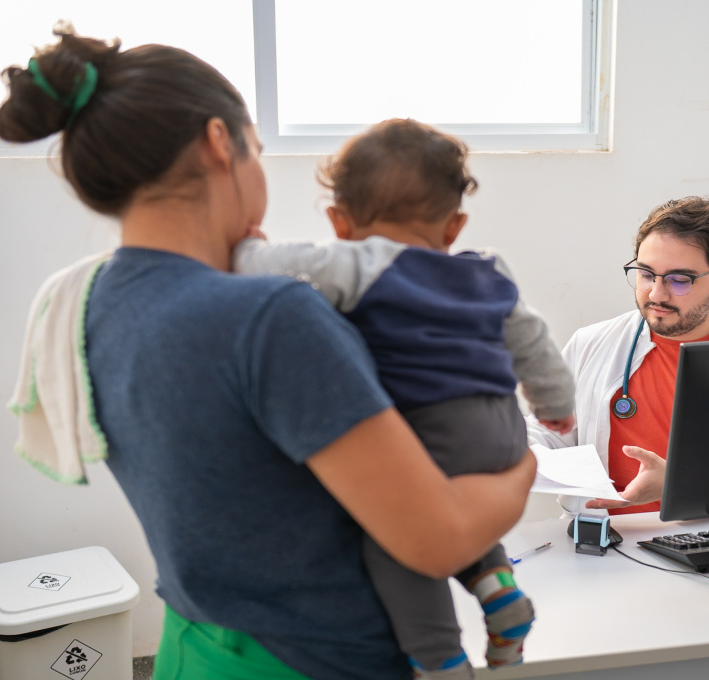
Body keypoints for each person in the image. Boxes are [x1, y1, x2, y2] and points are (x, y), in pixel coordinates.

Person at [0, 27, 535, 680]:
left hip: (192, 650)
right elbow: (437, 537)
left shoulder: (85, 299)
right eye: (256, 149)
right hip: (317, 662)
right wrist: (524, 464)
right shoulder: (271, 318)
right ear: (219, 143)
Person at [233, 118, 574, 679]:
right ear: (454, 225)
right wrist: (554, 404)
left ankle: (438, 658)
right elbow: (532, 339)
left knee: (395, 536)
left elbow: (257, 266)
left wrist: (250, 241)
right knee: (459, 511)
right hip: (502, 428)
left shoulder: (358, 263)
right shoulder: (487, 271)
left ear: (339, 222)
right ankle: (499, 593)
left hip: (432, 424)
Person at [526, 197, 709, 516]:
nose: (656, 294)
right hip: (604, 544)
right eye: (645, 274)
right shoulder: (591, 344)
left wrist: (682, 482)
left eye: (679, 280)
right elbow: (549, 432)